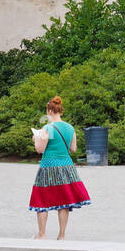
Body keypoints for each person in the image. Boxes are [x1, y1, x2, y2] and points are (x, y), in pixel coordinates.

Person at [29, 95, 91, 239]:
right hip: (66, 166)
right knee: (64, 201)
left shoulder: (47, 128)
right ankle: (61, 235)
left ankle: (42, 234)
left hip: (49, 166)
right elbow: (73, 148)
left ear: (50, 111)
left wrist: (35, 138)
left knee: (42, 199)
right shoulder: (70, 128)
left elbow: (39, 149)